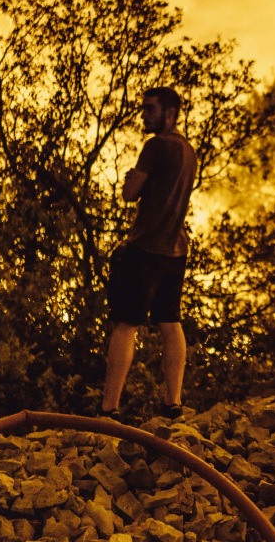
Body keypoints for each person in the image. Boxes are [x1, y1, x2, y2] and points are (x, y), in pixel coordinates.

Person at [98, 87, 198, 421]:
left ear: (170, 114)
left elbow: (130, 192)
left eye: (150, 109)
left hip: (145, 248)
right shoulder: (189, 151)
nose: (144, 115)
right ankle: (174, 403)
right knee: (170, 321)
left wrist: (131, 178)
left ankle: (108, 409)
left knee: (126, 324)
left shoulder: (156, 146)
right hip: (176, 249)